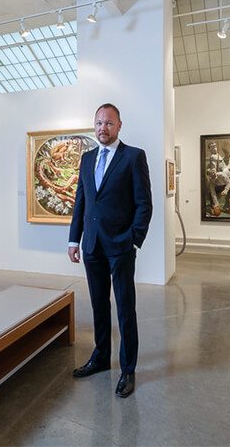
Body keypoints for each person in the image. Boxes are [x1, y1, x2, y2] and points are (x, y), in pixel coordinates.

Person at [68, 103, 152, 398]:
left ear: (119, 126)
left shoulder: (133, 157)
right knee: (99, 305)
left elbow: (144, 204)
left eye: (108, 123)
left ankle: (128, 369)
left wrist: (133, 239)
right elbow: (81, 201)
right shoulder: (87, 158)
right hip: (92, 246)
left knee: (125, 308)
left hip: (120, 247)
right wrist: (73, 240)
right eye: (99, 123)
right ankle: (101, 357)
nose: (103, 128)